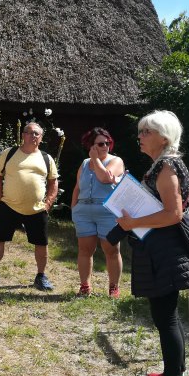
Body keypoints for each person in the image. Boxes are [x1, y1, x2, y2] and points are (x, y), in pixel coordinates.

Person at [115, 110, 189, 376]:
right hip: (162, 250)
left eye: (146, 131)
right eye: (141, 131)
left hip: (165, 252)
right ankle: (176, 375)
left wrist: (132, 223)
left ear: (163, 137)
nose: (140, 136)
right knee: (167, 316)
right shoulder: (164, 164)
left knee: (166, 318)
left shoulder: (167, 167)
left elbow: (173, 214)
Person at [0, 121, 59, 291]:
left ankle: (40, 276)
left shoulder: (47, 158)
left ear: (41, 138)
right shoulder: (9, 153)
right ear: (23, 135)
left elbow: (53, 182)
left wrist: (48, 204)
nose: (33, 136)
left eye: (36, 133)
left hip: (37, 209)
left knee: (42, 244)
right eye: (29, 132)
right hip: (9, 206)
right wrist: (0, 199)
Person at [71, 127, 125, 297]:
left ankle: (113, 288)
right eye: (100, 144)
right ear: (91, 145)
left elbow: (105, 178)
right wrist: (74, 208)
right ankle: (85, 286)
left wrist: (95, 159)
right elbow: (78, 187)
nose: (105, 146)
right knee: (85, 250)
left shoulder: (116, 161)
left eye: (107, 143)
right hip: (84, 211)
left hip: (107, 211)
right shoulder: (85, 163)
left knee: (111, 250)